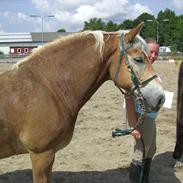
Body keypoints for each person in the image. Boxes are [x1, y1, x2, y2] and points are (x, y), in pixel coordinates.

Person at [125, 38, 160, 183]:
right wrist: (134, 126)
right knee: (140, 152)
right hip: (141, 117)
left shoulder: (149, 71)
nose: (153, 55)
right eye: (151, 52)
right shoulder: (137, 72)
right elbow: (128, 99)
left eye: (156, 53)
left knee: (151, 150)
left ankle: (144, 179)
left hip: (150, 117)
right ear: (143, 52)